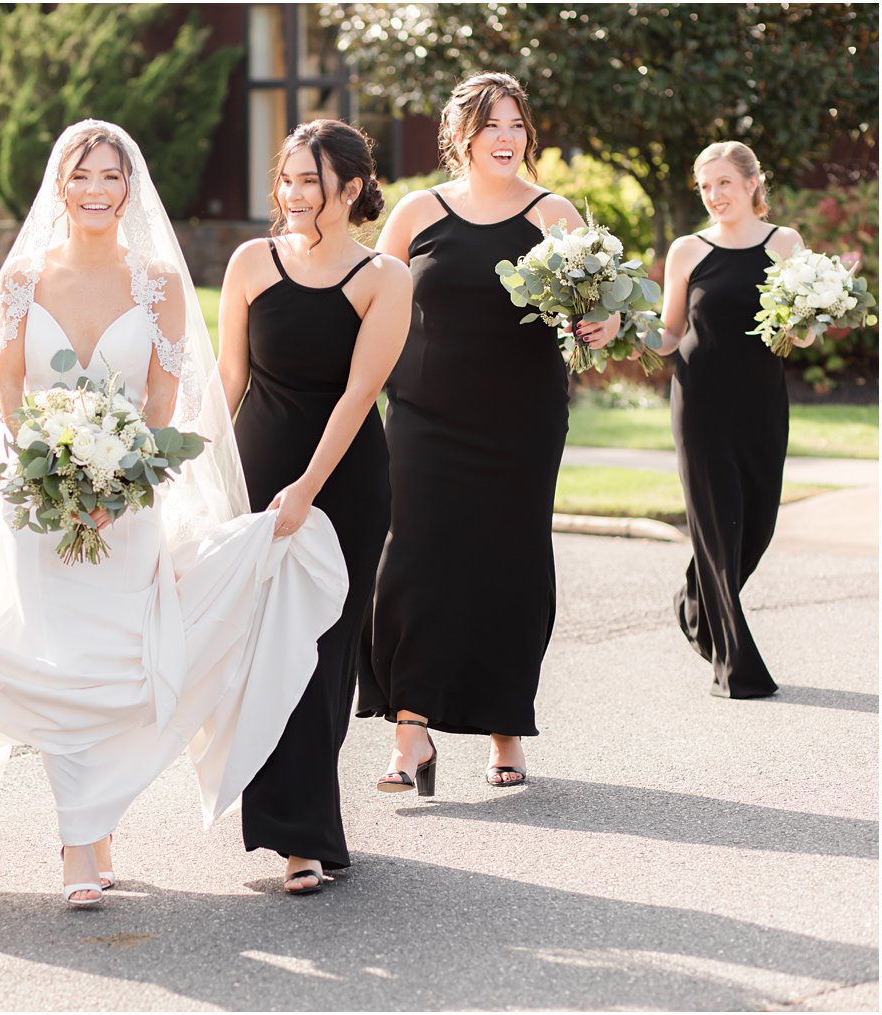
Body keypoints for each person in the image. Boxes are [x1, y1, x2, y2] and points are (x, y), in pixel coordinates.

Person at [0, 120, 348, 907]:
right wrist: (49, 475)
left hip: (129, 506)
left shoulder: (157, 282)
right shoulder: (22, 280)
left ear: (130, 188)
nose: (96, 190)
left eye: (110, 177)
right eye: (82, 176)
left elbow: (162, 401)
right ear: (60, 186)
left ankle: (97, 819)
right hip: (43, 509)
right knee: (64, 666)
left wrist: (119, 479)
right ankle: (78, 845)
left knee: (115, 670)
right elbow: (9, 394)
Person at [366, 72, 618, 791]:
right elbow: (374, 304)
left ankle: (506, 726)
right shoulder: (417, 212)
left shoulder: (554, 213)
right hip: (422, 414)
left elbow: (598, 313)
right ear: (459, 136)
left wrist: (605, 322)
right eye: (490, 125)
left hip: (521, 418)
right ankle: (410, 731)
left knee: (510, 564)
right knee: (412, 560)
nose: (505, 138)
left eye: (515, 125)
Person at [217, 120, 410, 894]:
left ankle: (305, 836)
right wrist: (187, 467)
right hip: (258, 474)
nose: (292, 194)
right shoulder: (249, 263)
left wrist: (308, 487)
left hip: (345, 482)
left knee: (323, 655)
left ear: (353, 188)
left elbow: (361, 394)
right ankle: (290, 822)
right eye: (287, 179)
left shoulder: (383, 276)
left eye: (310, 181)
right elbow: (229, 379)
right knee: (264, 649)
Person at [653, 141, 804, 698]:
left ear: (751, 184)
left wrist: (807, 328)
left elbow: (798, 323)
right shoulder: (687, 250)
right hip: (700, 403)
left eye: (724, 183)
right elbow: (670, 332)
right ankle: (736, 667)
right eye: (705, 186)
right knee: (718, 527)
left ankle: (695, 604)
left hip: (762, 402)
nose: (715, 195)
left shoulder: (784, 242)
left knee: (756, 525)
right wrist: (620, 331)